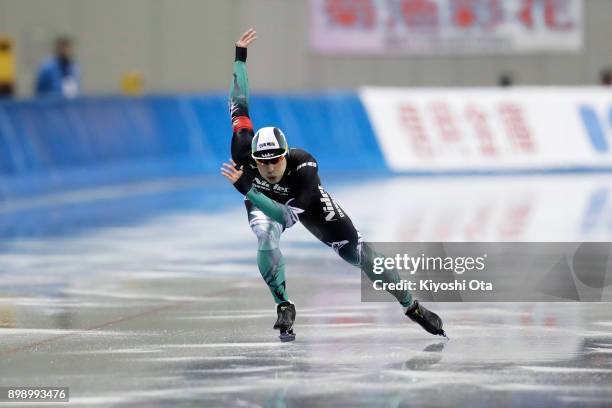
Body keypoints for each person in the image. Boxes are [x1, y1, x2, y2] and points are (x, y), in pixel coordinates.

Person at [220, 29, 446, 342]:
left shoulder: (304, 167)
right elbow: (239, 101)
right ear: (253, 158)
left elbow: (287, 216)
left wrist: (248, 188)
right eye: (263, 162)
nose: (270, 167)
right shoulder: (243, 149)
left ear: (286, 155)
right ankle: (284, 305)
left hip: (304, 204)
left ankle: (411, 306)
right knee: (265, 236)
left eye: (276, 160)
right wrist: (240, 57)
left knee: (361, 256)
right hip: (260, 199)